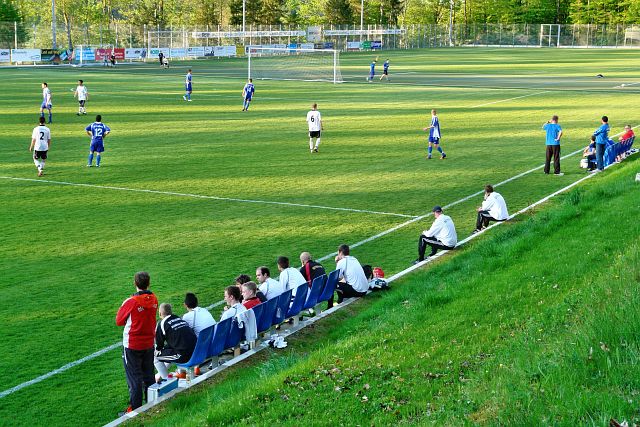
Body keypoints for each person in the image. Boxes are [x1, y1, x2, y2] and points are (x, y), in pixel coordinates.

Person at [115, 272, 158, 414]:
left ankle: (135, 410)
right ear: (149, 283)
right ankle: (152, 404)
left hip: (132, 345)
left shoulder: (130, 301)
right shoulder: (154, 299)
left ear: (135, 283)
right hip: (149, 343)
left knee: (134, 379)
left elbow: (119, 321)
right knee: (149, 376)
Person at [154, 303, 197, 381]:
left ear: (160, 313)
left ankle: (167, 381)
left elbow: (159, 346)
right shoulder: (178, 318)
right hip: (196, 351)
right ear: (171, 312)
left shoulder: (162, 324)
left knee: (155, 356)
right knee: (168, 351)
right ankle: (162, 375)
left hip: (185, 356)